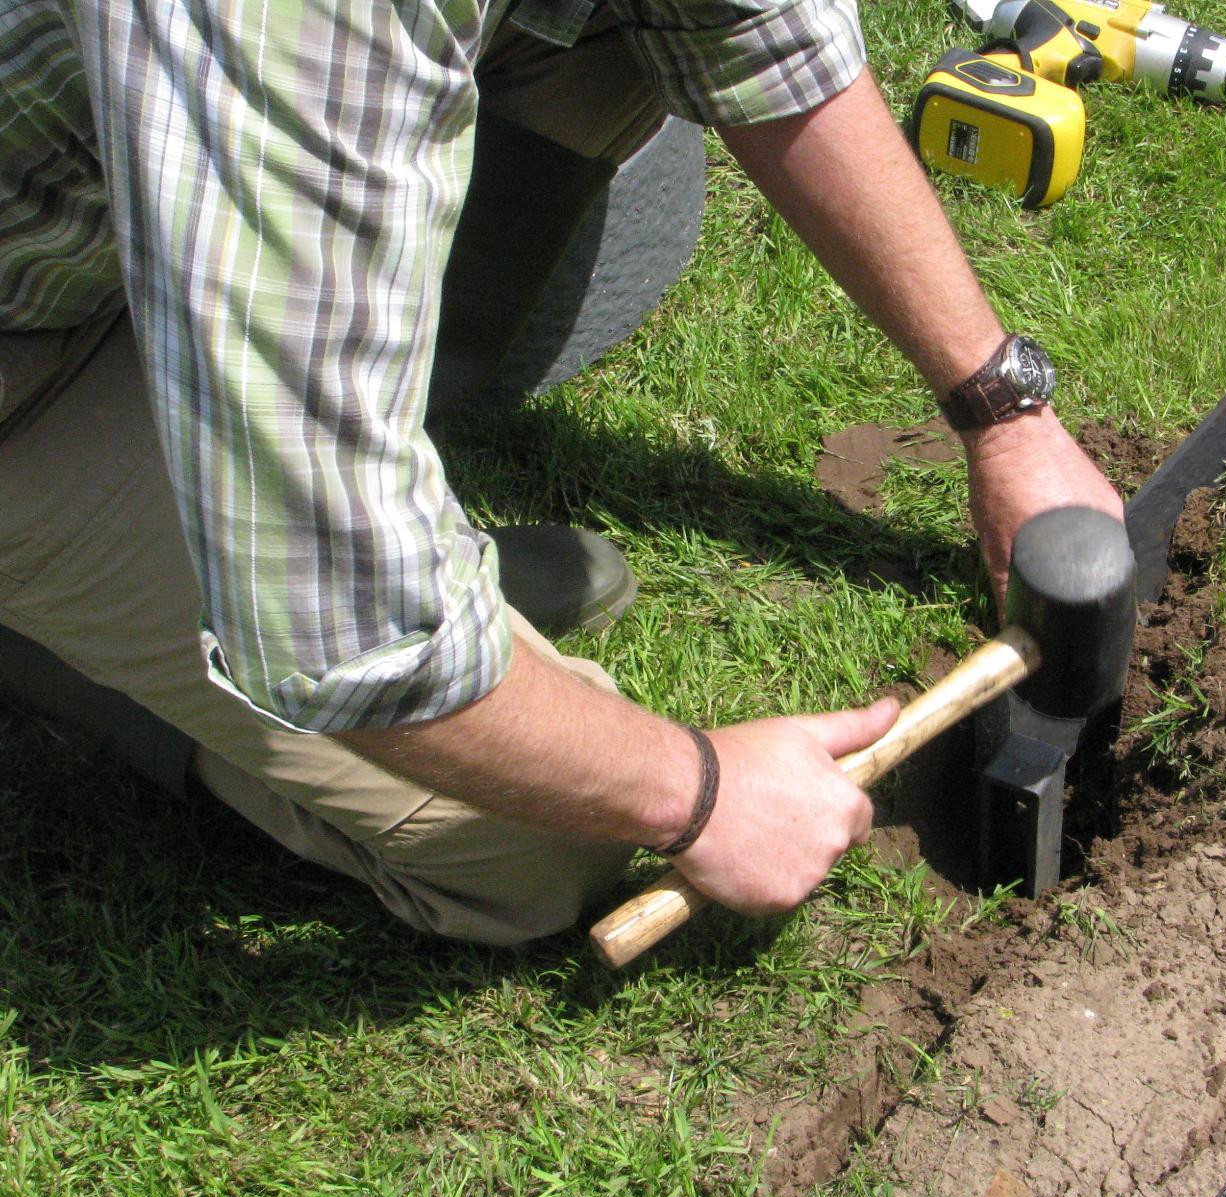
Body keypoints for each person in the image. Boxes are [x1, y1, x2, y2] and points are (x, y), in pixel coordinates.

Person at [0, 0, 1123, 944]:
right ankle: (69, 640)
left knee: (606, 30)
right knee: (545, 851)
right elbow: (340, 635)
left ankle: (354, 497)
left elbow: (767, 41)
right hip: (30, 370)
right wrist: (701, 796)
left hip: (148, 217)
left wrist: (1002, 413)